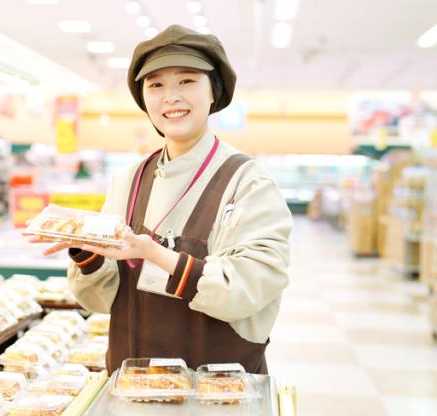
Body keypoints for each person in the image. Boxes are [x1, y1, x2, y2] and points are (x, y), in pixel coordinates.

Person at [29, 24, 292, 375]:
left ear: (214, 91)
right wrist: (87, 251)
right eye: (156, 85)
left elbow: (248, 288)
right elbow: (101, 298)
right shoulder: (128, 180)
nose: (171, 96)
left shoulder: (248, 182)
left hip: (219, 391)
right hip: (131, 384)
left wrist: (154, 253)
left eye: (186, 81)